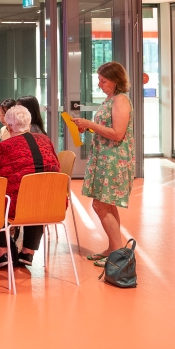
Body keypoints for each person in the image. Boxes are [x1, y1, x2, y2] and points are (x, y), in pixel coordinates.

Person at [73, 62, 135, 266]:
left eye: (103, 80)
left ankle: (118, 254)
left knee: (100, 205)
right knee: (106, 204)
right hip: (105, 157)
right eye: (99, 80)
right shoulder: (110, 99)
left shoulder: (121, 100)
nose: (99, 84)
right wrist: (88, 128)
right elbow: (106, 129)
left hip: (114, 159)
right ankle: (114, 248)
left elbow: (118, 134)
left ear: (116, 81)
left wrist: (90, 124)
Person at [0, 105, 60, 267]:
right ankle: (27, 253)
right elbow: (57, 168)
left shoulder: (6, 146)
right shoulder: (46, 140)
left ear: (10, 126)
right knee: (37, 192)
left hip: (18, 206)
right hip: (51, 204)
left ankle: (2, 253)